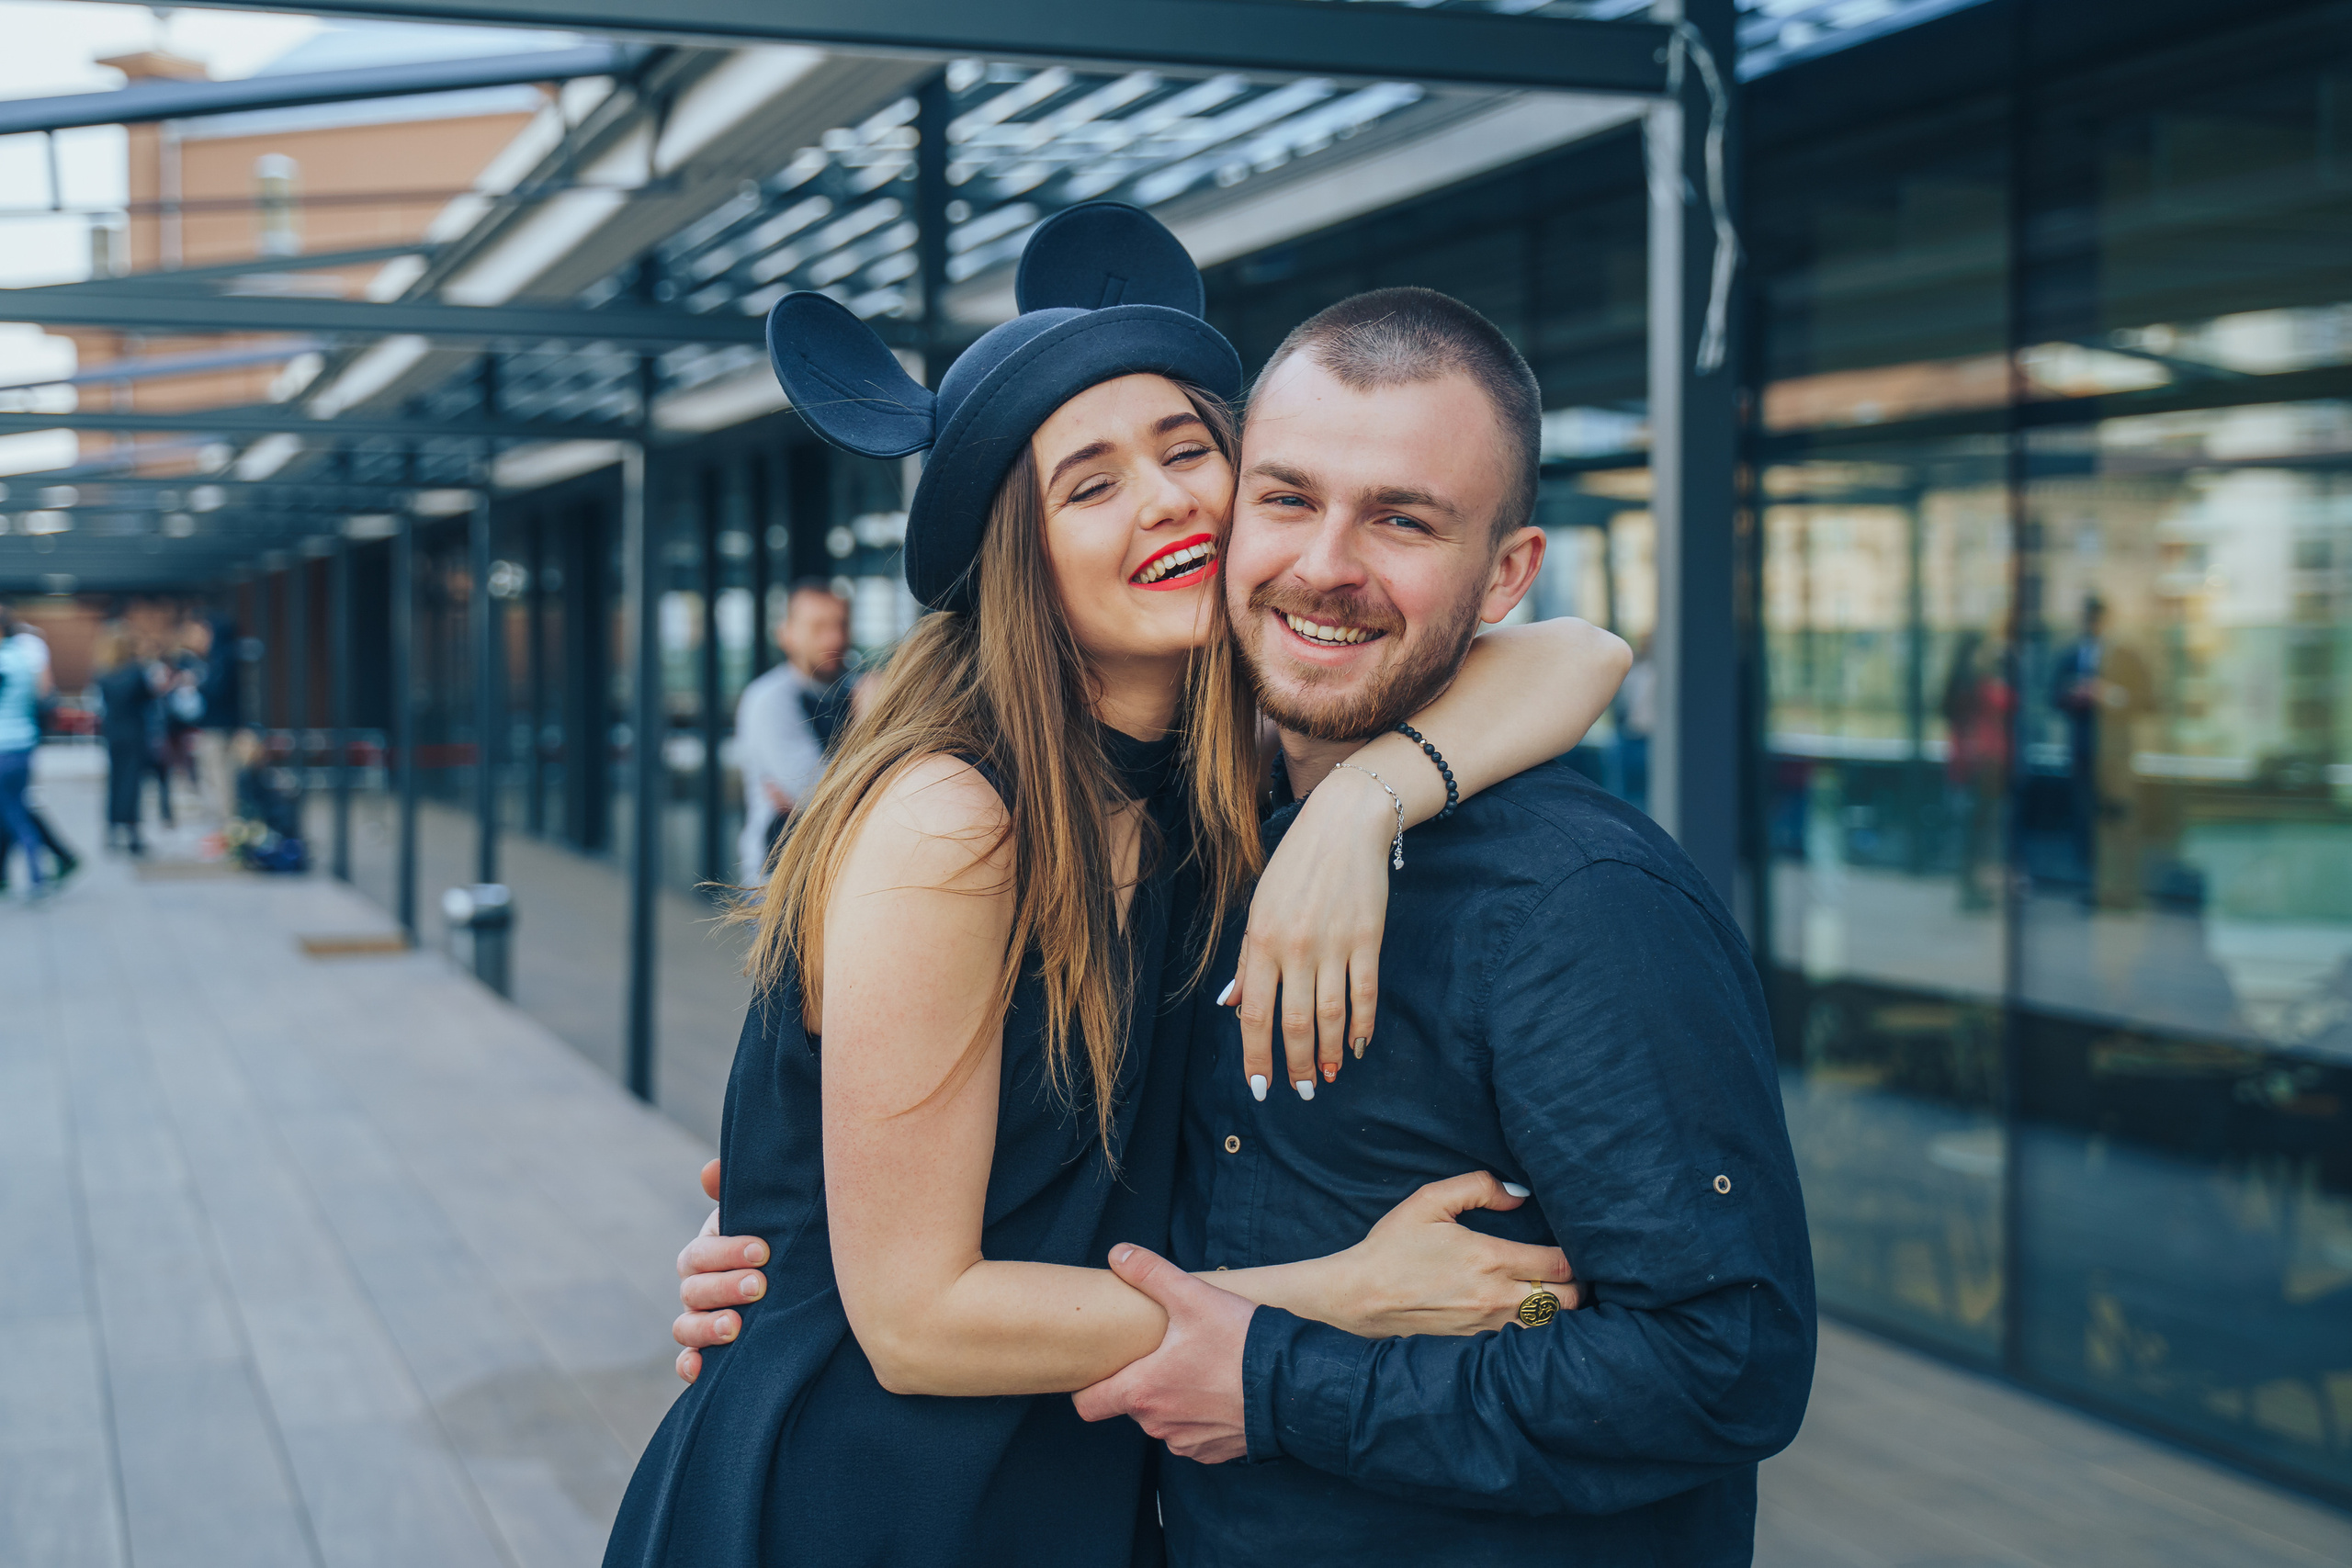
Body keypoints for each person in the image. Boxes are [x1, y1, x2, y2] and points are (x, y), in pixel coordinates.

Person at [679, 288, 1817, 1564]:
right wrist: (1333, 1304)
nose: (1167, 500)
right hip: (886, 1491)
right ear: (1018, 553)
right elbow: (913, 1315)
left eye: (1183, 453)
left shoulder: (1229, 800)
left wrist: (1359, 807)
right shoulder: (969, 817)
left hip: (1070, 1478)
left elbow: (1583, 651)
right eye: (1089, 484)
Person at [732, 579, 852, 886]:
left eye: (840, 625)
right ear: (786, 635)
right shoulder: (769, 698)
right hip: (781, 872)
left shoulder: (856, 690)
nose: (834, 638)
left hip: (841, 867)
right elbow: (818, 793)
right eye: (818, 627)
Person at [0, 602, 61, 898]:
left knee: (15, 814)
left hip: (3, 747)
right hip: (23, 743)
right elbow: (42, 694)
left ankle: (38, 877)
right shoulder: (24, 659)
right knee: (15, 807)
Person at [96, 632, 164, 854]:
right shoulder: (135, 672)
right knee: (132, 783)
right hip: (134, 732)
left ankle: (112, 830)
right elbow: (149, 697)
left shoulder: (104, 673)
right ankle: (133, 832)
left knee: (115, 781)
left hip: (113, 732)